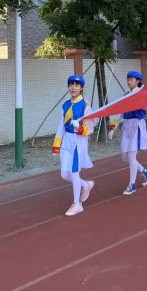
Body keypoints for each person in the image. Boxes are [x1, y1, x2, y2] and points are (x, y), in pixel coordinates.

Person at [52, 75, 95, 216]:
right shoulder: (65, 105)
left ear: (81, 88)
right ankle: (86, 185)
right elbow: (61, 125)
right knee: (64, 174)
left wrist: (79, 127)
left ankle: (77, 204)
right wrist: (56, 145)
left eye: (77, 85)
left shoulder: (86, 106)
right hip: (67, 140)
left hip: (78, 141)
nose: (73, 88)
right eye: (71, 85)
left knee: (74, 172)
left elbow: (90, 127)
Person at [108, 71, 147, 196]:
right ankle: (144, 170)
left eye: (131, 79)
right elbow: (119, 113)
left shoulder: (141, 94)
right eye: (128, 79)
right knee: (125, 157)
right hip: (127, 125)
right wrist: (113, 128)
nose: (129, 82)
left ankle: (131, 185)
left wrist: (141, 98)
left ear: (138, 81)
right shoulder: (126, 95)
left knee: (132, 155)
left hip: (136, 124)